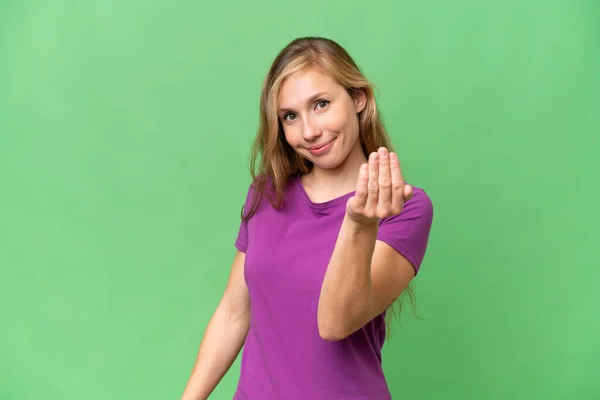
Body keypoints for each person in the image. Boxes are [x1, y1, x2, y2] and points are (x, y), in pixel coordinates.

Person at [181, 36, 434, 400]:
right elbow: (235, 312)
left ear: (358, 98)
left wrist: (358, 224)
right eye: (290, 116)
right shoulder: (268, 193)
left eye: (321, 104)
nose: (310, 132)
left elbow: (335, 323)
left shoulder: (404, 209)